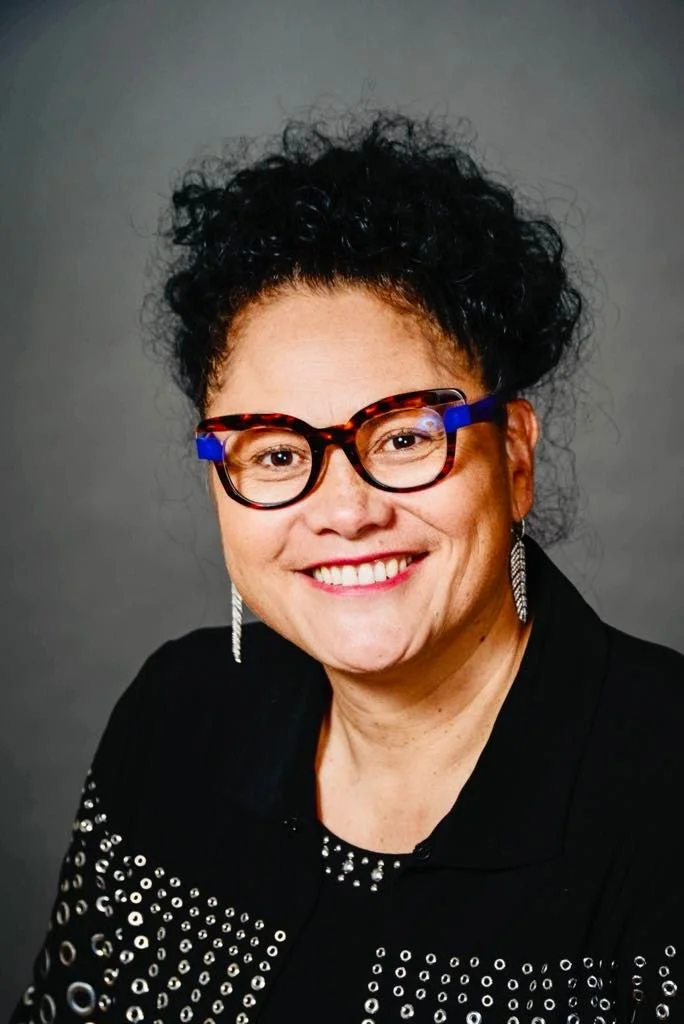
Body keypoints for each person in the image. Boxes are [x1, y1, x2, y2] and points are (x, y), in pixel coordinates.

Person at [10, 113, 683, 1024]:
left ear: (514, 458)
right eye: (278, 454)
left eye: (405, 436)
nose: (345, 509)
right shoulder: (175, 718)